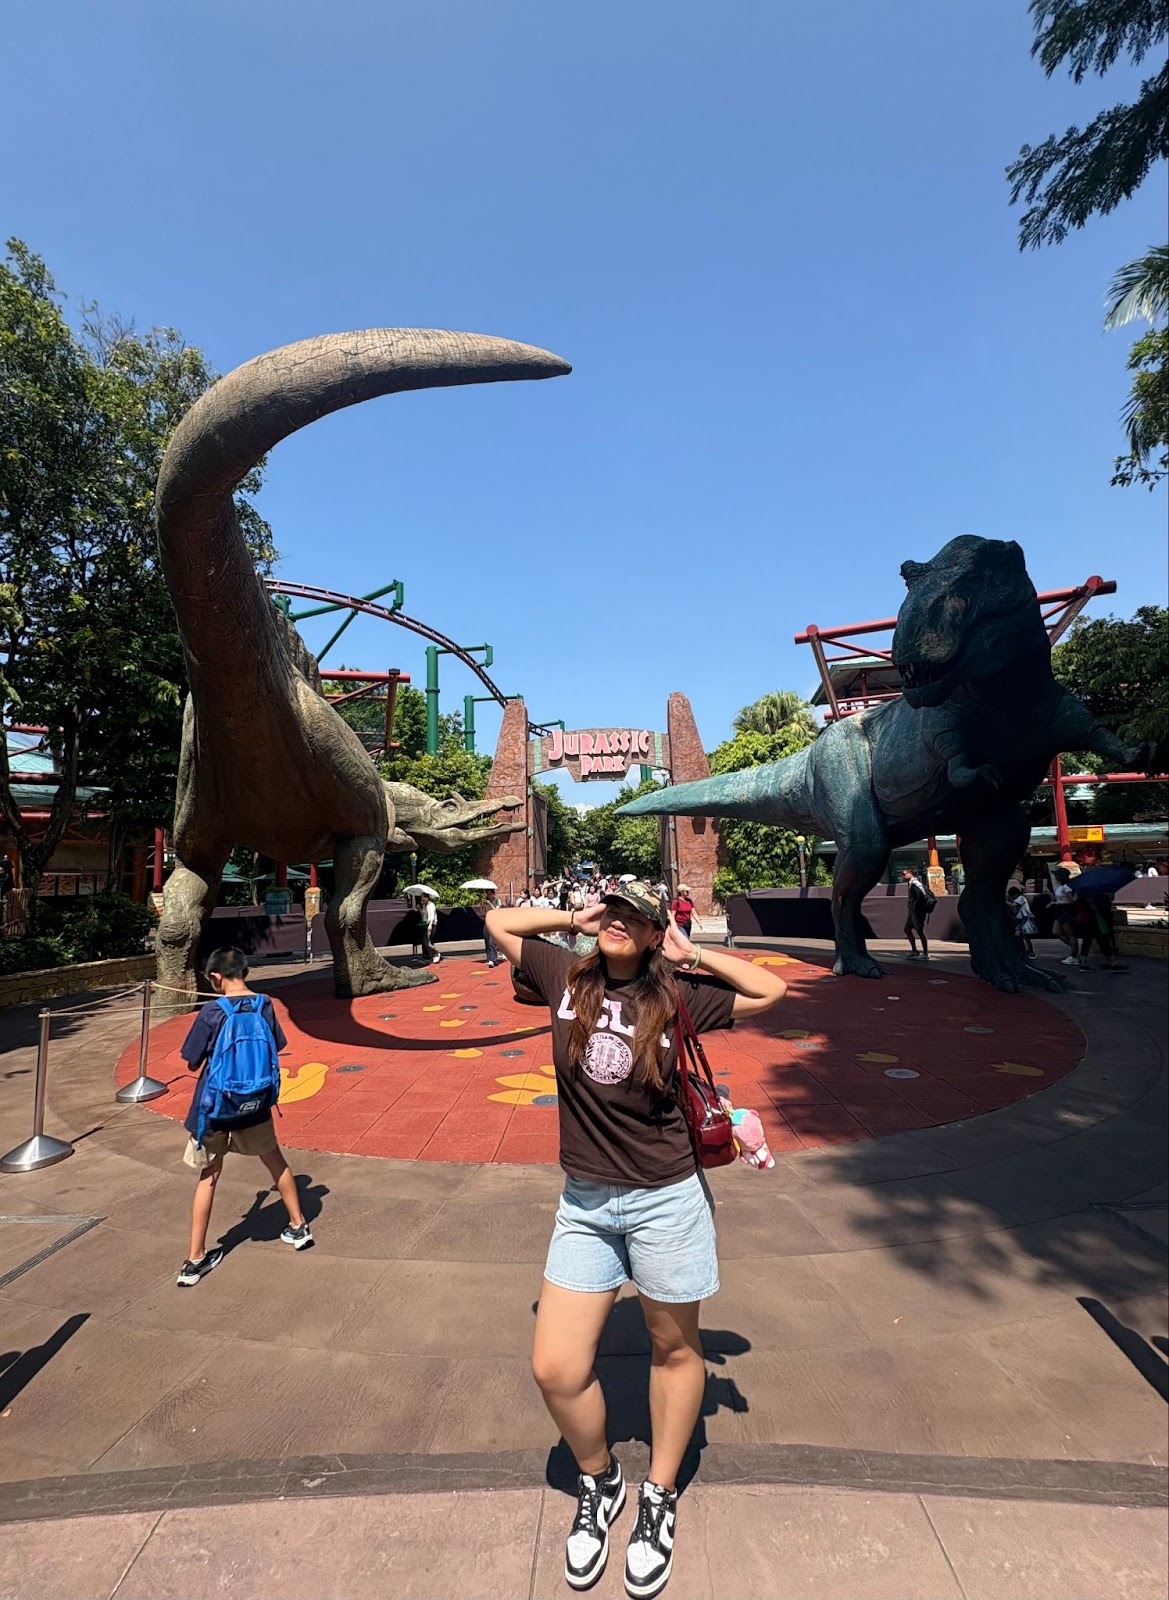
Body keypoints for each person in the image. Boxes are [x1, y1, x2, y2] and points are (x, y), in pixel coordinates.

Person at [486, 883, 786, 1598]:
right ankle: (601, 1481)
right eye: (610, 912)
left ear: (654, 932)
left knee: (674, 1348)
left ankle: (657, 1496)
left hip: (665, 1200)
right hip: (584, 1203)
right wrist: (571, 917)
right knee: (556, 1368)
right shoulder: (565, 975)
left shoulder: (679, 995)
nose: (617, 923)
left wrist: (692, 951)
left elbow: (769, 990)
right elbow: (497, 920)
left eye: (635, 917)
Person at [176, 947, 311, 1286]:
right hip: (256, 1102)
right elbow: (276, 1045)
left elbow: (191, 1059)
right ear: (245, 972)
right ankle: (298, 1226)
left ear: (216, 977)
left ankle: (195, 1259)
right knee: (275, 1161)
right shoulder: (264, 1005)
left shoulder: (212, 1010)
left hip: (215, 1107)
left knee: (209, 1174)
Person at [901, 867, 933, 960]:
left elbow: (922, 895)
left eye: (904, 874)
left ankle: (925, 953)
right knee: (907, 929)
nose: (903, 876)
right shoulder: (911, 883)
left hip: (917, 912)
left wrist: (915, 906)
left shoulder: (915, 883)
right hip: (913, 912)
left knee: (920, 931)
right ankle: (914, 951)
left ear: (910, 874)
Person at [1050, 867, 1078, 965]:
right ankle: (1073, 947)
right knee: (1056, 931)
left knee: (1070, 933)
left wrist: (1059, 904)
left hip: (1067, 910)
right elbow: (1058, 898)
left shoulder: (1067, 887)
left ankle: (1074, 955)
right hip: (1060, 910)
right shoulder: (1059, 886)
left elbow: (1071, 901)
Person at [1006, 884, 1037, 959]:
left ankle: (1030, 952)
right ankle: (1025, 950)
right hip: (1023, 918)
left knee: (1025, 937)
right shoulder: (1021, 898)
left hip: (1025, 919)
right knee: (1021, 936)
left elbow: (1013, 905)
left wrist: (1005, 902)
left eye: (1012, 895)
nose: (1012, 897)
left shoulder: (1021, 898)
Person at [479, 892, 502, 966]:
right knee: (487, 941)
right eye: (487, 894)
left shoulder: (497, 901)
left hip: (494, 923)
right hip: (486, 922)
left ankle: (493, 959)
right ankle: (489, 959)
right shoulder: (485, 902)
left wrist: (490, 904)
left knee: (492, 942)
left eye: (489, 894)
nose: (488, 896)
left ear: (493, 894)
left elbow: (496, 911)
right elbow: (482, 914)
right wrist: (482, 906)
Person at [420, 891, 441, 963]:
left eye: (423, 898)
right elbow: (424, 916)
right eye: (421, 898)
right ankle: (427, 957)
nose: (422, 900)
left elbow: (431, 916)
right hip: (425, 924)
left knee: (428, 942)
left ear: (427, 898)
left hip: (431, 924)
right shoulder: (424, 905)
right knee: (424, 941)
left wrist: (430, 925)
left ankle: (436, 954)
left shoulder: (431, 905)